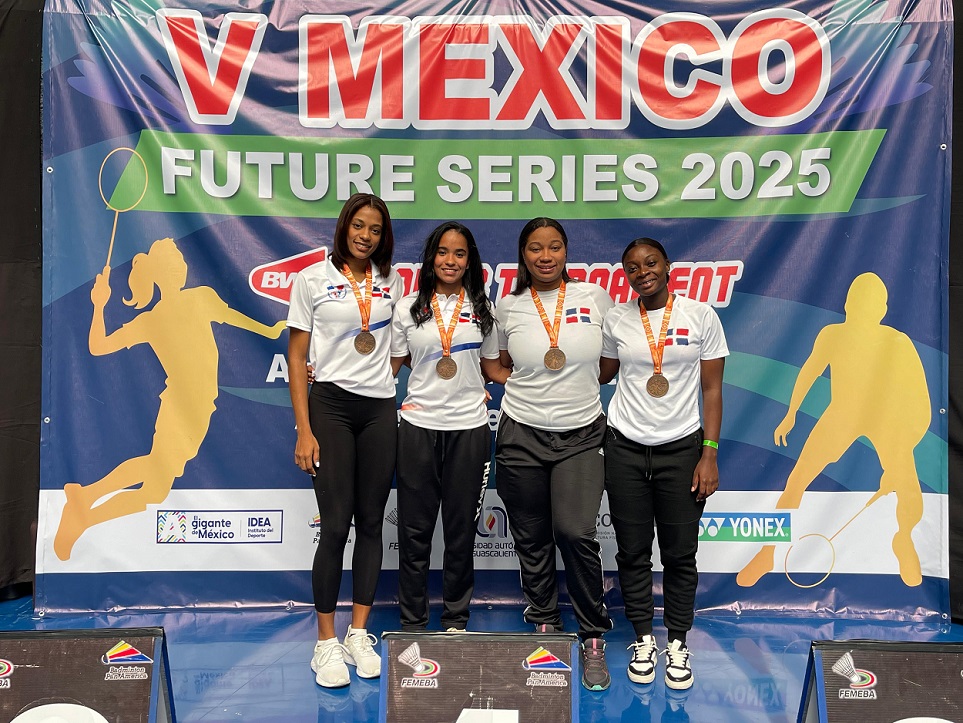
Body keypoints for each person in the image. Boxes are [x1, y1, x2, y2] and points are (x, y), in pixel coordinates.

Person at [54, 237, 285, 561]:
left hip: (201, 404)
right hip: (179, 404)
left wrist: (270, 330)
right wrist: (99, 304)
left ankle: (83, 503)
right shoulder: (158, 316)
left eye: (181, 261)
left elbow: (235, 318)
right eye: (176, 262)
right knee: (157, 473)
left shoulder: (199, 299)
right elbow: (98, 346)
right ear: (164, 272)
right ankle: (83, 505)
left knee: (154, 489)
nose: (183, 265)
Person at [736, 272, 928, 588]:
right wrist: (791, 413)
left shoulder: (898, 342)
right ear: (847, 305)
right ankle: (767, 552)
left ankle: (904, 539)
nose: (862, 311)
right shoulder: (833, 335)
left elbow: (921, 404)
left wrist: (904, 450)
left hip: (886, 420)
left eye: (871, 306)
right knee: (796, 481)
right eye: (857, 303)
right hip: (841, 415)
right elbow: (810, 371)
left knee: (908, 488)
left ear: (882, 310)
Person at [490, 217, 614, 691]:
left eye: (555, 246)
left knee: (576, 531)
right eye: (536, 248)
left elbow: (608, 363)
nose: (546, 256)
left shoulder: (594, 298)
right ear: (523, 255)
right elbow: (496, 364)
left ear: (566, 252)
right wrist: (531, 386)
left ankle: (592, 634)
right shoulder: (508, 306)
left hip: (581, 434)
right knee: (531, 535)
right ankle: (545, 623)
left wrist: (572, 389)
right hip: (521, 433)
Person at [599, 238, 727, 691]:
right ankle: (642, 639)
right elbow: (601, 373)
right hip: (625, 448)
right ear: (626, 276)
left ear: (668, 265)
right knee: (632, 552)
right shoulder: (616, 319)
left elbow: (713, 389)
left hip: (682, 450)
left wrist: (709, 453)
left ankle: (676, 642)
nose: (643, 272)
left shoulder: (700, 316)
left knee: (679, 554)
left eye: (651, 263)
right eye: (632, 268)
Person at [287, 193, 402, 688]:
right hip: (329, 408)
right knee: (335, 526)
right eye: (359, 225)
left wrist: (375, 376)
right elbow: (297, 358)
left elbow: (396, 348)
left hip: (379, 409)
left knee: (371, 524)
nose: (365, 236)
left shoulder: (392, 283)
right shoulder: (312, 279)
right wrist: (305, 429)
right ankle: (325, 642)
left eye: (375, 229)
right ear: (344, 227)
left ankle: (358, 634)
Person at [390, 221, 499, 632]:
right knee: (414, 534)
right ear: (430, 258)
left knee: (460, 534)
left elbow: (492, 368)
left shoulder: (484, 309)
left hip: (469, 428)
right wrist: (328, 373)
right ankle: (413, 622)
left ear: (470, 261)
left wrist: (542, 378)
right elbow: (391, 365)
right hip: (418, 425)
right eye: (442, 252)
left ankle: (456, 620)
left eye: (459, 253)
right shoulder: (408, 308)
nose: (450, 260)